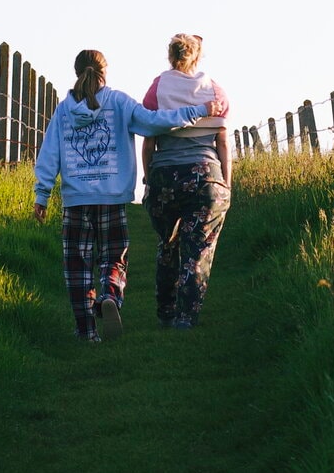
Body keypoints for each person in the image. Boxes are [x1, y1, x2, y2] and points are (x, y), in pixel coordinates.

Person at [32, 48, 225, 341]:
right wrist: (199, 110)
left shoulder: (64, 110)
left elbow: (49, 154)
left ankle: (86, 331)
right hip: (112, 198)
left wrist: (42, 194)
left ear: (76, 72)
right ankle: (109, 294)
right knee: (113, 258)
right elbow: (155, 122)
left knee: (77, 265)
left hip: (76, 199)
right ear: (104, 72)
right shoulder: (119, 102)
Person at [139, 33, 231, 329]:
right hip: (206, 177)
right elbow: (223, 143)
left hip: (165, 176)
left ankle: (165, 311)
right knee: (198, 249)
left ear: (171, 56)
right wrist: (225, 183)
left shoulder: (158, 88)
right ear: (198, 56)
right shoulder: (215, 91)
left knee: (168, 244)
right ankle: (185, 317)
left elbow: (149, 141)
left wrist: (148, 178)